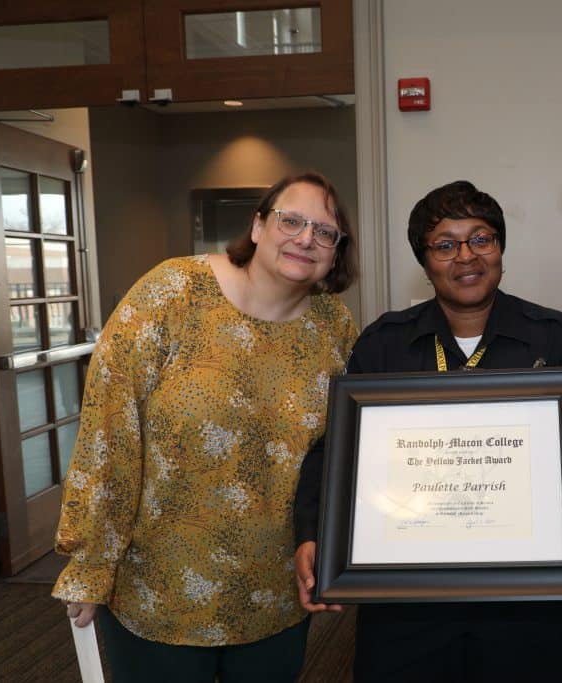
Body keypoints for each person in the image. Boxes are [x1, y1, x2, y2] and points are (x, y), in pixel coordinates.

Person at [293, 180, 562, 682]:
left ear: (500, 248)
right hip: (409, 604)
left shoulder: (557, 340)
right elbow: (338, 451)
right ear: (424, 261)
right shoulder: (384, 346)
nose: (466, 256)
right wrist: (314, 534)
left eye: (481, 238)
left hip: (530, 604)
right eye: (445, 244)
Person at [52, 171, 359, 682]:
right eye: (291, 220)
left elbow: (338, 452)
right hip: (160, 596)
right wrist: (91, 560)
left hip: (276, 598)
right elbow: (110, 430)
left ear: (336, 251)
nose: (306, 238)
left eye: (325, 232)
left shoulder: (335, 328)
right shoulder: (172, 294)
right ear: (258, 226)